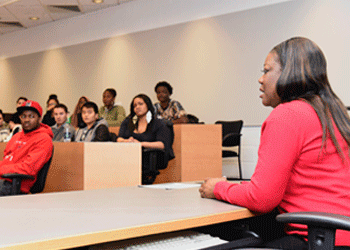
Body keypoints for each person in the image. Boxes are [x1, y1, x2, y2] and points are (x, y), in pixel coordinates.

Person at [199, 37, 350, 248]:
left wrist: (217, 188)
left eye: (266, 71)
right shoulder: (335, 114)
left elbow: (262, 199)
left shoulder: (287, 114)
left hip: (315, 239)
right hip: (337, 234)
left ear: (289, 74)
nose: (261, 79)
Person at [0, 100, 53, 196]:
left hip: (15, 184)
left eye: (31, 116)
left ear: (39, 118)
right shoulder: (16, 136)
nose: (27, 120)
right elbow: (7, 159)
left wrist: (2, 169)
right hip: (3, 179)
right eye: (23, 116)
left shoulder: (44, 139)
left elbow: (28, 168)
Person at [118, 94, 171, 184]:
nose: (137, 107)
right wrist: (127, 141)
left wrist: (140, 144)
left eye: (140, 104)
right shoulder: (128, 122)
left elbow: (162, 144)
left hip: (146, 160)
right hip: (127, 158)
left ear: (148, 105)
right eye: (135, 105)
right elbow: (119, 139)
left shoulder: (158, 123)